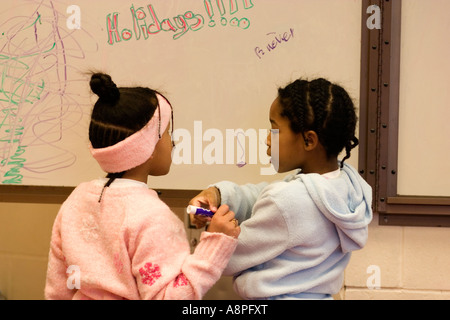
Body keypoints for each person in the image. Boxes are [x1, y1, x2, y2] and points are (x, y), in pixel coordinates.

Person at [45, 73, 240, 300]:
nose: (173, 141)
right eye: (167, 132)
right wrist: (214, 245)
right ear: (148, 145)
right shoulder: (152, 216)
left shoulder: (77, 199)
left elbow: (58, 286)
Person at [190, 78, 373, 300]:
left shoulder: (288, 201)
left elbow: (227, 258)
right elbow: (265, 194)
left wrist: (217, 236)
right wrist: (218, 194)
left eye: (274, 129)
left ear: (308, 140)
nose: (267, 139)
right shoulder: (344, 186)